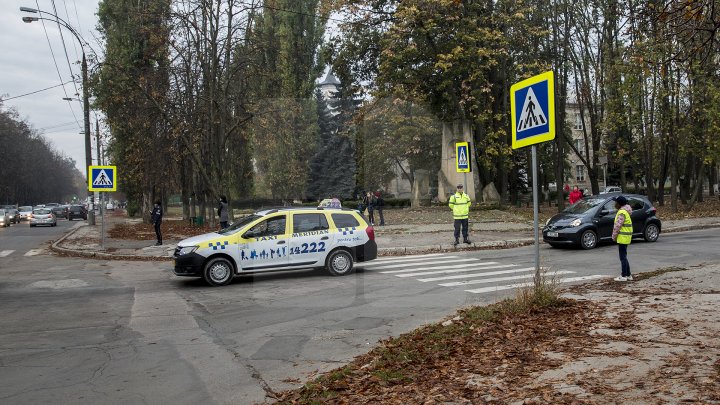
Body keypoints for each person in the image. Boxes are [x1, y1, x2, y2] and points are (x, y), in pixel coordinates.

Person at [612, 195, 633, 281]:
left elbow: (617, 226)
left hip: (622, 237)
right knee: (624, 256)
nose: (614, 204)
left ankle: (624, 275)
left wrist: (614, 236)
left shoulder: (622, 212)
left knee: (622, 257)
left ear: (619, 204)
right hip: (626, 236)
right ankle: (628, 275)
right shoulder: (625, 211)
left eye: (616, 202)